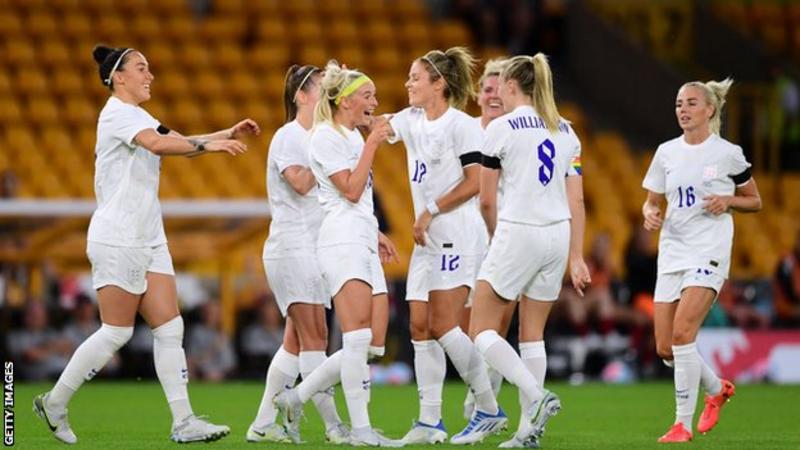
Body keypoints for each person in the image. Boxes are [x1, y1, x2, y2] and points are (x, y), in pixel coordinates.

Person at [33, 44, 258, 444]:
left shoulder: (140, 116)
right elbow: (158, 145)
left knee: (170, 327)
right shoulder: (117, 114)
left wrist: (224, 134)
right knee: (116, 332)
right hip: (118, 236)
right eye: (141, 68)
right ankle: (54, 402)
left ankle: (184, 421)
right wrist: (209, 145)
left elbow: (174, 140)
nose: (149, 74)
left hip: (149, 236)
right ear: (118, 77)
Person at [273, 60, 402, 447]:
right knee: (358, 338)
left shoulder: (352, 136)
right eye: (368, 95)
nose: (374, 102)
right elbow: (349, 189)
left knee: (375, 344)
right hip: (340, 241)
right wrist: (375, 141)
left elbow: (357, 198)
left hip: (361, 236)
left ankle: (295, 397)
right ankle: (361, 431)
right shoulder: (325, 137)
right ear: (345, 101)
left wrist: (375, 230)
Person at [385, 47, 506, 445]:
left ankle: (488, 408)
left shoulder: (462, 126)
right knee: (419, 326)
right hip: (427, 235)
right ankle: (430, 421)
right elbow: (375, 125)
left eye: (415, 77)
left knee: (443, 324)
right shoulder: (412, 120)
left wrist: (430, 210)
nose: (408, 84)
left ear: (438, 83)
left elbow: (475, 182)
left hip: (455, 230)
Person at [470, 53, 591, 448]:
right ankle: (528, 433)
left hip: (519, 230)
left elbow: (487, 200)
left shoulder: (501, 127)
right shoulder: (566, 129)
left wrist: (494, 238)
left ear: (510, 86)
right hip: (557, 236)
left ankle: (537, 398)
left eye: (500, 85)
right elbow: (578, 202)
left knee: (481, 330)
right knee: (532, 333)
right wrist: (576, 256)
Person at [641, 78, 762, 443]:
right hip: (673, 251)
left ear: (710, 109)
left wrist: (729, 201)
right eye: (679, 103)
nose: (683, 109)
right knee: (665, 347)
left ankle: (681, 424)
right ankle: (717, 388)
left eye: (691, 103)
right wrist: (649, 212)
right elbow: (652, 200)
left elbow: (755, 200)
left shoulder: (727, 153)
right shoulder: (666, 152)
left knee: (682, 335)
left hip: (708, 250)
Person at [246, 64, 349, 444]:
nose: (328, 95)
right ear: (300, 96)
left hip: (311, 246)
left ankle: (261, 425)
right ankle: (334, 427)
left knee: (294, 343)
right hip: (293, 247)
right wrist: (335, 158)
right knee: (315, 338)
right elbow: (303, 183)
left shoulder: (321, 135)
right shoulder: (291, 136)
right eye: (321, 88)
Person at [461, 57, 517, 423]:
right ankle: (480, 398)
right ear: (478, 93)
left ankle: (483, 406)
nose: (492, 96)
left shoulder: (519, 134)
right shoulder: (463, 130)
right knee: (469, 331)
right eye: (487, 89)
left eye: (499, 90)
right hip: (465, 239)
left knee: (498, 327)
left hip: (507, 237)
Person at [186, 300, 237, 382]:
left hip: (221, 374)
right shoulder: (196, 332)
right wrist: (213, 349)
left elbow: (229, 362)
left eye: (218, 314)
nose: (215, 317)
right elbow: (191, 359)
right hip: (200, 373)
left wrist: (219, 372)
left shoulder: (223, 334)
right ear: (203, 314)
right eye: (211, 313)